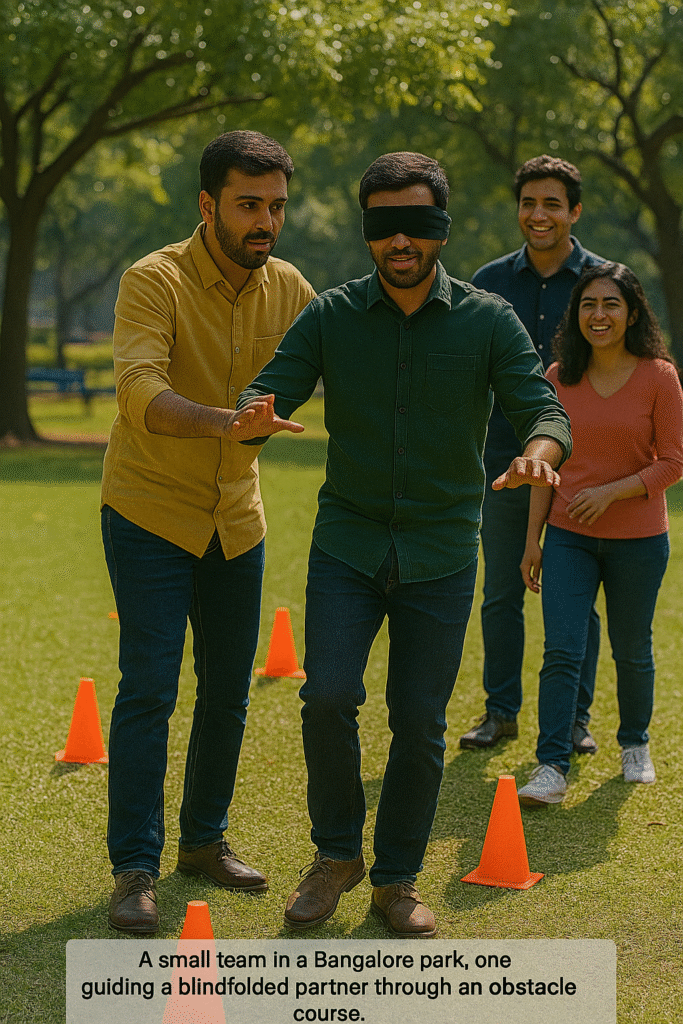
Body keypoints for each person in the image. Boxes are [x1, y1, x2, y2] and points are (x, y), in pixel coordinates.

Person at [237, 151, 572, 937]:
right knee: (325, 699)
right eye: (384, 225)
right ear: (367, 233)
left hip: (441, 553)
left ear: (441, 230)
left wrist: (538, 454)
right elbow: (270, 384)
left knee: (418, 721)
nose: (400, 241)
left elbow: (544, 411)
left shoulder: (487, 319)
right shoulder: (329, 315)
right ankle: (335, 856)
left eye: (415, 224)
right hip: (347, 544)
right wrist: (254, 411)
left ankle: (394, 881)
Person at [101, 130, 315, 934]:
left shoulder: (290, 288)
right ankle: (133, 869)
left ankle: (202, 843)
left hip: (237, 520)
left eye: (275, 207)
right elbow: (138, 390)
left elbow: (336, 363)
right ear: (207, 205)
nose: (264, 221)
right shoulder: (151, 280)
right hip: (148, 510)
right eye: (248, 205)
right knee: (149, 689)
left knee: (227, 692)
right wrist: (226, 422)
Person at [517, 262, 683, 806]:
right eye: (589, 304)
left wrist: (613, 491)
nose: (599, 315)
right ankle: (551, 766)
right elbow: (544, 464)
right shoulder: (558, 377)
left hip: (638, 539)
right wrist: (531, 540)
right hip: (567, 536)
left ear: (632, 312)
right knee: (562, 650)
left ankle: (635, 744)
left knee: (632, 649)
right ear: (576, 314)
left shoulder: (659, 376)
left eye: (611, 304)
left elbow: (674, 461)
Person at [460, 155, 605, 753]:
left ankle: (574, 720)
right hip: (503, 464)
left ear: (574, 211)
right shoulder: (489, 283)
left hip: (584, 469)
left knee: (575, 600)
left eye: (552, 203)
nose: (538, 215)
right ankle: (500, 712)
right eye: (528, 203)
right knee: (500, 593)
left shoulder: (604, 282)